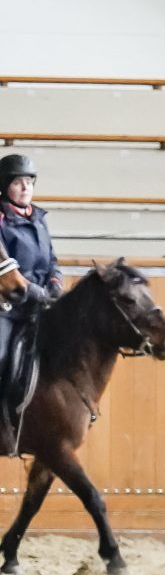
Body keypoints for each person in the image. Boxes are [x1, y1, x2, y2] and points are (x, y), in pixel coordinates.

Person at [0, 154, 61, 446]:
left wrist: (55, 283)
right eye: (17, 182)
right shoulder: (1, 219)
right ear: (5, 186)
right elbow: (9, 271)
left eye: (29, 182)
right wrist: (36, 292)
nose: (25, 188)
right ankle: (2, 422)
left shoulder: (39, 217)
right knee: (1, 358)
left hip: (42, 305)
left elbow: (51, 259)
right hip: (8, 307)